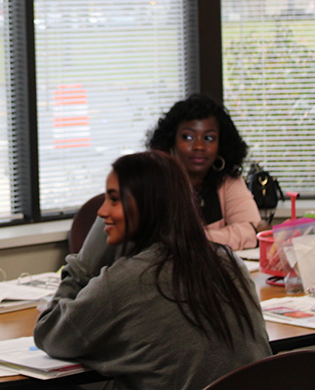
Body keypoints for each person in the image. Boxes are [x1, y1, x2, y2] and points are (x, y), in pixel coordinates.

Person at [34, 151, 271, 390]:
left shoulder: (124, 283)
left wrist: (83, 265)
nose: (102, 212)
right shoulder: (230, 263)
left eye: (114, 200)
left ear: (148, 206)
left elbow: (49, 333)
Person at [147, 94, 260, 250]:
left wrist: (194, 239)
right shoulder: (154, 183)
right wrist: (232, 236)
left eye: (209, 138)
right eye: (188, 137)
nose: (199, 146)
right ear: (170, 142)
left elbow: (255, 229)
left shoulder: (227, 179)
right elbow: (162, 244)